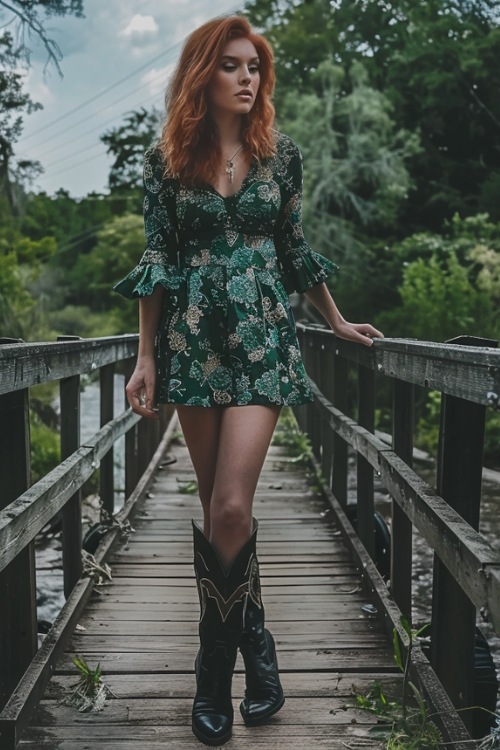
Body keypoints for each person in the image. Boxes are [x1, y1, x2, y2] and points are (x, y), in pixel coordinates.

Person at [114, 15, 383, 746]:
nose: (247, 77)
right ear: (204, 72)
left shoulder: (279, 155)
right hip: (193, 343)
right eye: (232, 65)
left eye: (255, 67)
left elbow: (293, 248)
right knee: (216, 516)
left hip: (264, 339)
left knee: (231, 506)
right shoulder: (167, 160)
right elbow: (158, 264)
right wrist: (145, 358)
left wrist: (338, 321)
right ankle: (259, 657)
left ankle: (212, 672)